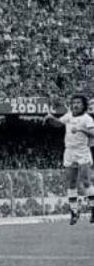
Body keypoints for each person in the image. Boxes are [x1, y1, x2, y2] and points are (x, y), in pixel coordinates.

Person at [43, 94, 94, 225]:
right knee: (71, 183)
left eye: (78, 103)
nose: (75, 105)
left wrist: (81, 129)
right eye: (74, 102)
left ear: (83, 105)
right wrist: (50, 118)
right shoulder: (69, 116)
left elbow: (93, 133)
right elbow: (58, 124)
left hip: (82, 152)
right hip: (69, 151)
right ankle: (74, 211)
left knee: (86, 181)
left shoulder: (87, 119)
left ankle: (93, 209)